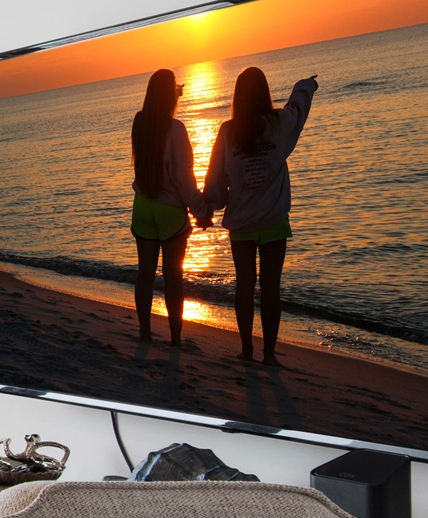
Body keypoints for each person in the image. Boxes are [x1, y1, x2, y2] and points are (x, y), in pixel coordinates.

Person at [201, 65, 319, 364]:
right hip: (273, 222)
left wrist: (208, 206)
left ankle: (246, 350)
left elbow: (215, 178)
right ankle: (267, 354)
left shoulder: (229, 131)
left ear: (238, 97)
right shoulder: (277, 123)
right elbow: (297, 108)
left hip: (241, 223)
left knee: (244, 286)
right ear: (265, 93)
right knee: (270, 288)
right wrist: (305, 84)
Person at [126, 70, 205, 345]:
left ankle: (145, 333)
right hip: (170, 211)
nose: (177, 93)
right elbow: (184, 180)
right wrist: (200, 208)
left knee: (145, 274)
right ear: (168, 93)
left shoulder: (139, 123)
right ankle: (175, 338)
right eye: (175, 88)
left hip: (143, 207)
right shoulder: (176, 129)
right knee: (173, 278)